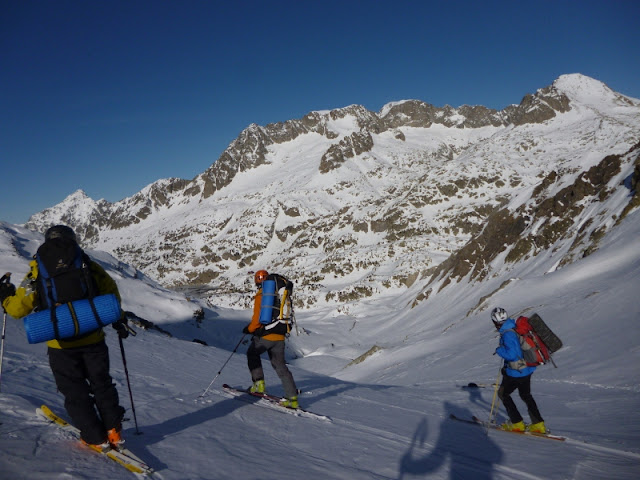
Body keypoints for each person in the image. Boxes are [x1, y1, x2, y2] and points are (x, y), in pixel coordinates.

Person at [0, 225, 130, 450]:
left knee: (74, 389)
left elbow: (17, 310)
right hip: (93, 338)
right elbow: (111, 292)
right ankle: (113, 430)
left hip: (60, 343)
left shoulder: (38, 271)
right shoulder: (88, 265)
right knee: (102, 384)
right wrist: (118, 317)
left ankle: (93, 437)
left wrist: (5, 296)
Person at [242, 269, 299, 408]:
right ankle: (292, 398)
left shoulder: (262, 295)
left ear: (257, 281)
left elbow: (257, 319)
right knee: (280, 366)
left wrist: (249, 329)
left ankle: (258, 385)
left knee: (252, 353)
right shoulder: (280, 296)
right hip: (280, 335)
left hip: (266, 336)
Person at [491, 307, 546, 433]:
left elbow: (512, 355)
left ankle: (517, 423)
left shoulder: (507, 334)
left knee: (503, 394)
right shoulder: (514, 326)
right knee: (526, 395)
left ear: (495, 321)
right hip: (527, 369)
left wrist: (499, 350)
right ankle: (538, 425)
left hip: (517, 372)